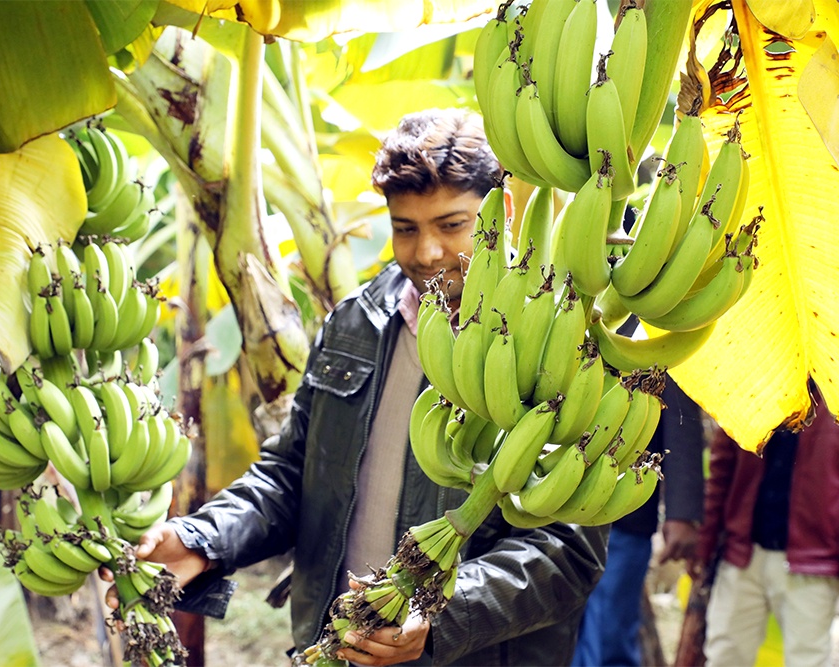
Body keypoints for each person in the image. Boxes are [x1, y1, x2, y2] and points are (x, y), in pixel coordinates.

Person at [109, 108, 609, 666]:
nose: (426, 253)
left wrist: (439, 611)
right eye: (406, 228)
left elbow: (568, 549)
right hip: (337, 646)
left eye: (452, 225)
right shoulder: (356, 323)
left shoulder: (556, 346)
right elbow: (292, 472)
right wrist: (203, 541)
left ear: (503, 211)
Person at [688, 383, 839, 667]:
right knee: (724, 655)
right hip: (744, 554)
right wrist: (705, 543)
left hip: (812, 560)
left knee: (807, 660)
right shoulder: (756, 383)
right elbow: (722, 469)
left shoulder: (833, 388)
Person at [571, 375, 706, 666]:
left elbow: (681, 419)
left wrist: (682, 512)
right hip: (559, 509)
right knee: (561, 632)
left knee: (610, 633)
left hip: (625, 515)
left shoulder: (659, 335)